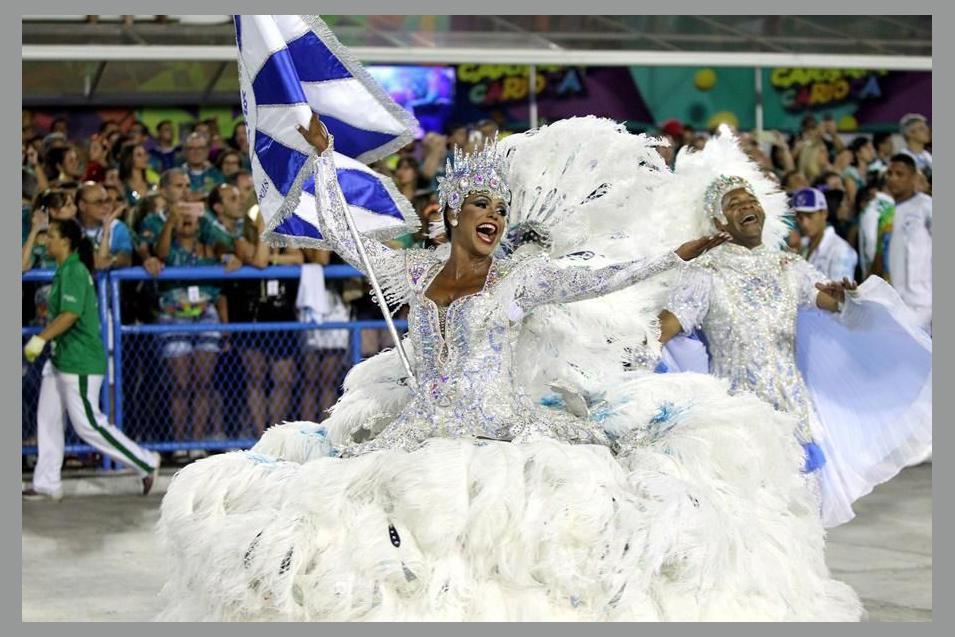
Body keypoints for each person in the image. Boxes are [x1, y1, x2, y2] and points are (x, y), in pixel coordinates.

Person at [156, 116, 862, 621]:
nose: (492, 215)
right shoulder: (413, 269)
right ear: (453, 213)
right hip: (419, 429)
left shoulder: (517, 282)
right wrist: (323, 161)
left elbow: (603, 278)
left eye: (499, 207)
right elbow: (346, 240)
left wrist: (681, 252)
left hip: (497, 427)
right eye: (480, 205)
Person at [658, 128, 931, 529]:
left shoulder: (789, 267)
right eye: (735, 203)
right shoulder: (705, 274)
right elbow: (661, 330)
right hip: (738, 422)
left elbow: (834, 304)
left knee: (796, 525)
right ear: (718, 221)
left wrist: (845, 297)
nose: (747, 205)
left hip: (793, 418)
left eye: (751, 199)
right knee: (748, 526)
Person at [22, 218, 160, 501]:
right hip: (61, 360)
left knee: (89, 425)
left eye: (51, 236)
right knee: (47, 421)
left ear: (65, 242)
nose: (45, 241)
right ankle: (47, 482)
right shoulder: (66, 269)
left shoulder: (73, 270)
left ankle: (145, 461)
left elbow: (69, 314)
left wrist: (40, 338)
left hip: (80, 362)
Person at [884, 153, 932, 333]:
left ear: (913, 177)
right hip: (892, 304)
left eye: (899, 174)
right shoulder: (886, 212)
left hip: (922, 305)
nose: (893, 179)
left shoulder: (927, 207)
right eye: (889, 174)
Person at [793, 187, 858, 282]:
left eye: (809, 216)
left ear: (824, 213)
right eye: (799, 217)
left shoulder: (840, 251)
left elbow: (839, 296)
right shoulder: (802, 244)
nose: (804, 223)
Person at [898, 113, 932, 180]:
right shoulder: (902, 158)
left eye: (926, 128)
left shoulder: (928, 156)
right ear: (910, 133)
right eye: (922, 128)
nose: (927, 131)